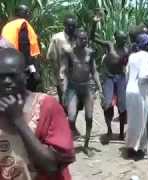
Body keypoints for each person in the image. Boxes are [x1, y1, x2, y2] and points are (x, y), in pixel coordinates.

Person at [0, 48, 74, 179]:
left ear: (26, 75)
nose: (6, 81)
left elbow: (51, 166)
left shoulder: (47, 106)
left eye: (12, 75)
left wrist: (18, 120)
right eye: (1, 76)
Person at [60, 29, 103, 156]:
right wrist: (64, 91)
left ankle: (86, 145)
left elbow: (94, 71)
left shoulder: (90, 53)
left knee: (89, 117)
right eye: (81, 38)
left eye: (86, 39)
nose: (84, 41)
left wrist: (100, 88)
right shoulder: (69, 54)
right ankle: (68, 143)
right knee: (71, 117)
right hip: (73, 87)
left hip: (87, 87)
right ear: (75, 40)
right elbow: (65, 72)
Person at [91, 15, 130, 141]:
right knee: (107, 104)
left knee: (123, 106)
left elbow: (126, 64)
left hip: (120, 77)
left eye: (125, 39)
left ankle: (121, 133)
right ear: (116, 38)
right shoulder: (109, 45)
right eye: (121, 38)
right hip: (108, 77)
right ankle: (109, 130)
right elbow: (92, 37)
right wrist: (94, 24)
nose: (123, 40)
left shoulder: (126, 50)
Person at [126, 33, 148, 159]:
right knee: (142, 121)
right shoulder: (145, 56)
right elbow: (143, 77)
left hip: (129, 91)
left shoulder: (132, 56)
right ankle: (138, 148)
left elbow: (127, 74)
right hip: (140, 92)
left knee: (132, 121)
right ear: (147, 44)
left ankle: (130, 146)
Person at [1, 4, 41, 92]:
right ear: (21, 14)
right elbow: (24, 46)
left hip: (7, 63)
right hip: (20, 65)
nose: (28, 14)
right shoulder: (23, 24)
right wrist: (32, 69)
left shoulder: (8, 25)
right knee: (28, 90)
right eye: (26, 12)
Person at [47, 15, 77, 105]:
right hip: (62, 72)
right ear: (64, 25)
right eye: (69, 25)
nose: (71, 28)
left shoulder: (78, 37)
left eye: (73, 26)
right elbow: (50, 56)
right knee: (63, 97)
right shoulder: (57, 38)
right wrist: (57, 71)